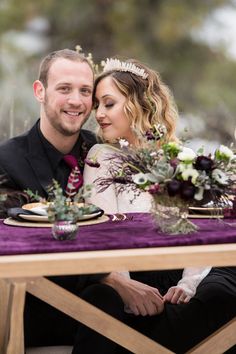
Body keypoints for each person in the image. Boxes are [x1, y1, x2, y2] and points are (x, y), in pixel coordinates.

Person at [82, 58, 236, 353]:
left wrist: (189, 284)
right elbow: (104, 232)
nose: (99, 114)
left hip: (185, 277)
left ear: (139, 104)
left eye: (109, 104)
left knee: (221, 293)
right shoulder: (101, 155)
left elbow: (199, 227)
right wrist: (126, 289)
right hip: (135, 278)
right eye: (97, 105)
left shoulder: (183, 156)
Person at [0, 49, 128, 354]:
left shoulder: (104, 152)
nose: (76, 101)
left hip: (107, 301)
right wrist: (110, 278)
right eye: (64, 88)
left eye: (85, 91)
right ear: (39, 91)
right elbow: (16, 243)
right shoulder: (7, 160)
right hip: (33, 304)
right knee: (106, 299)